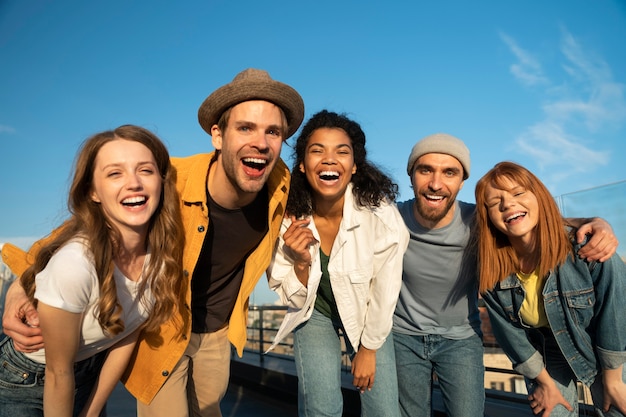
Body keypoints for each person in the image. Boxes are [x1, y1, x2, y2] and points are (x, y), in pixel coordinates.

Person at [1, 68, 305, 417]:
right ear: (218, 136)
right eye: (245, 128)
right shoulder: (168, 180)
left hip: (218, 333)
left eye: (273, 131)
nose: (261, 142)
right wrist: (22, 286)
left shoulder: (279, 182)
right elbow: (78, 230)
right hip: (162, 325)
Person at [391, 133, 619, 417]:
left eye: (449, 172)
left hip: (465, 340)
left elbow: (528, 219)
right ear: (411, 174)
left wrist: (594, 222)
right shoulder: (390, 217)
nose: (436, 183)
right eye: (425, 170)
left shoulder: (478, 221)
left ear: (461, 181)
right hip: (406, 337)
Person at [0, 125, 185, 417]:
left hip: (87, 373)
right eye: (115, 173)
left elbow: (126, 334)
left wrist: (92, 408)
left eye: (145, 170)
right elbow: (58, 372)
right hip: (24, 380)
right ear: (93, 192)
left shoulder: (161, 258)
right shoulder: (75, 264)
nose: (134, 183)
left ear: (161, 182)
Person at [266, 110, 409, 416]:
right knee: (322, 407)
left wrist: (368, 349)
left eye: (342, 152)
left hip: (368, 312)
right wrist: (301, 262)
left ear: (354, 165)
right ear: (303, 165)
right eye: (317, 150)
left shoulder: (381, 216)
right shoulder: (285, 217)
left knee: (383, 409)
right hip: (314, 312)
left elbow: (385, 291)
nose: (329, 159)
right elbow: (290, 295)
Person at [475, 161, 626, 417]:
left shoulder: (588, 248)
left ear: (539, 196)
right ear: (488, 216)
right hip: (545, 353)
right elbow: (511, 337)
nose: (508, 204)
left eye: (518, 193)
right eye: (494, 202)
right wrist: (543, 382)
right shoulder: (492, 269)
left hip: (605, 344)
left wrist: (612, 379)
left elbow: (616, 310)